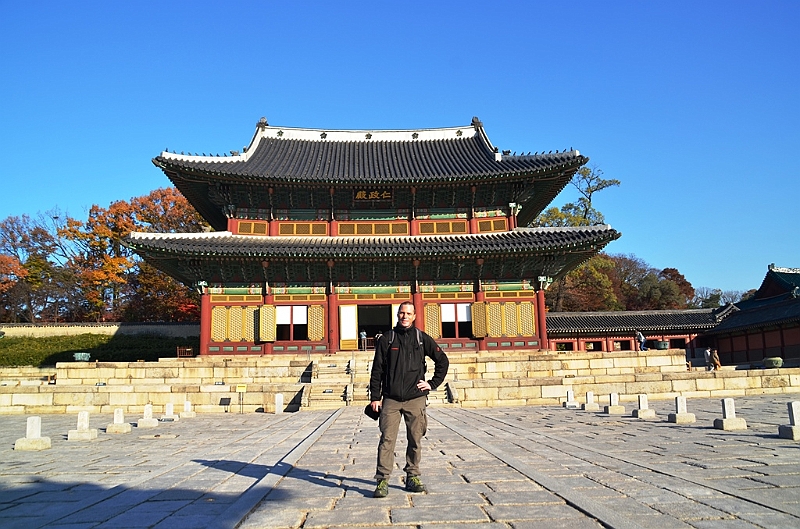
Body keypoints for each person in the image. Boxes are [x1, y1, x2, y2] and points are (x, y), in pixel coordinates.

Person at [369, 301, 449, 498]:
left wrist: (432, 383)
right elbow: (377, 370)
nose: (404, 316)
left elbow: (442, 360)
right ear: (397, 315)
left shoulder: (421, 339)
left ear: (414, 316)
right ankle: (382, 480)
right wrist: (375, 397)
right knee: (387, 440)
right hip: (391, 399)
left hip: (415, 398)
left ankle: (412, 476)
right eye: (402, 313)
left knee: (415, 438)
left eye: (408, 313)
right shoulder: (387, 339)